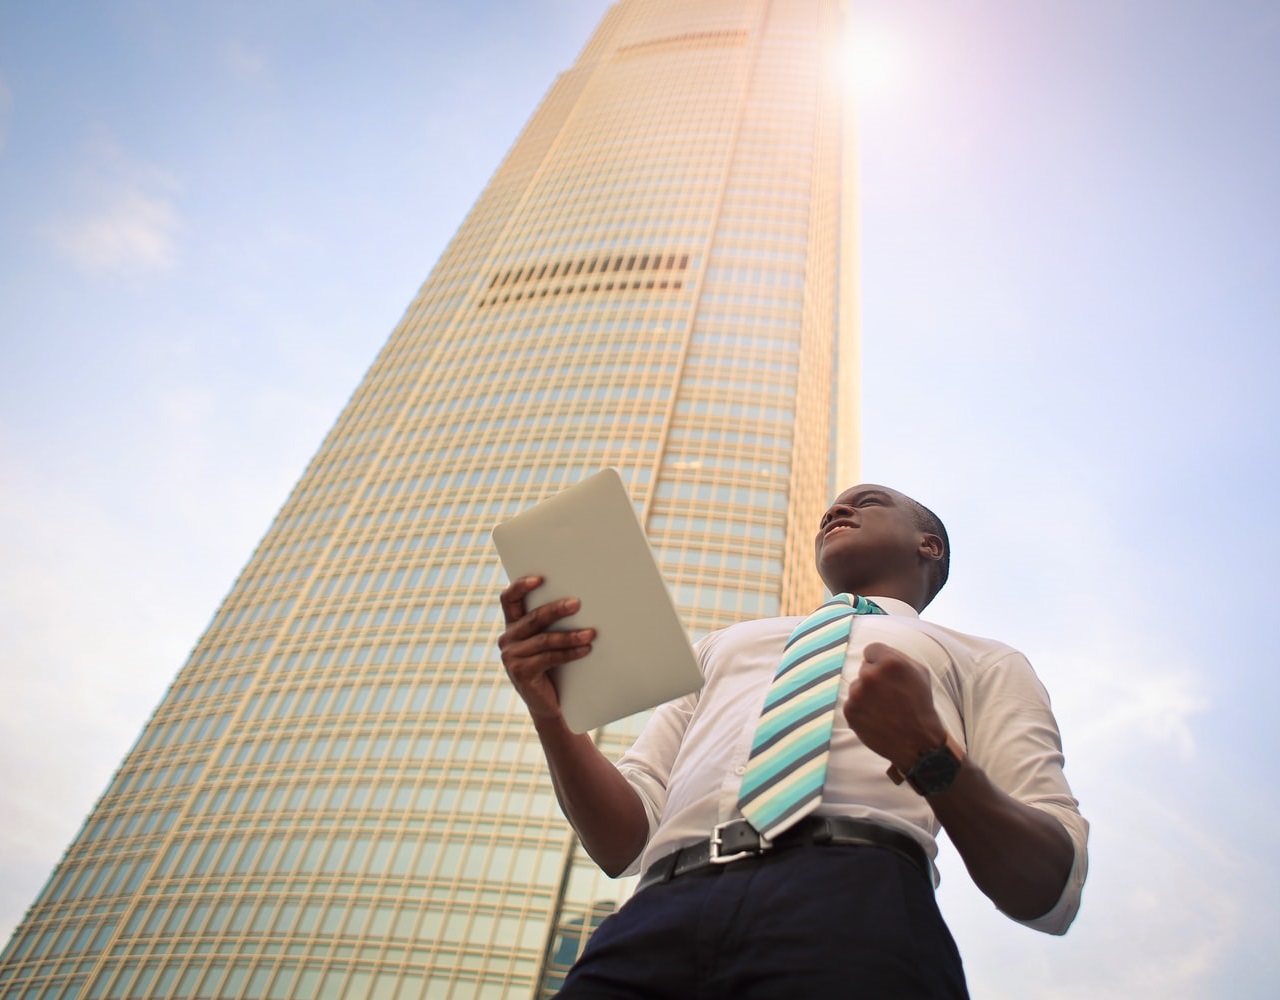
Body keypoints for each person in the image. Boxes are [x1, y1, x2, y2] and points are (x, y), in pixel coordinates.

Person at [498, 484, 1087, 998]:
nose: (838, 509)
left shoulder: (984, 660)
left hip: (858, 903)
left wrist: (930, 755)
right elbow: (623, 840)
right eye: (831, 508)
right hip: (655, 914)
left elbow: (1048, 886)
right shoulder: (723, 646)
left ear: (927, 545)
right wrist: (553, 717)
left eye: (868, 501)